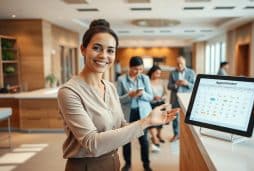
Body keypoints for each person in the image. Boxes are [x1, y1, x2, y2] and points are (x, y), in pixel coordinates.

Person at [57, 19, 179, 171]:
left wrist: (150, 120)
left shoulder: (110, 87)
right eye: (96, 48)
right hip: (87, 165)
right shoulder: (69, 92)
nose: (103, 55)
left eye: (110, 50)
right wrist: (145, 122)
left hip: (114, 161)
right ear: (83, 49)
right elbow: (92, 143)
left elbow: (121, 125)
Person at [116, 56, 153, 171]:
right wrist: (129, 95)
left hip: (142, 113)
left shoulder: (145, 78)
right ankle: (127, 164)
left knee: (144, 140)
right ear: (129, 67)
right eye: (135, 69)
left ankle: (146, 164)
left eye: (140, 69)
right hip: (128, 113)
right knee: (126, 140)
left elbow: (150, 97)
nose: (138, 72)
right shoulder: (121, 80)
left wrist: (142, 94)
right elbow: (118, 99)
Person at [168, 56, 196, 142]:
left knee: (187, 118)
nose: (180, 65)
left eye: (181, 63)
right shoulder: (172, 73)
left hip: (187, 98)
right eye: (178, 64)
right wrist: (176, 84)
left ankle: (187, 135)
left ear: (185, 63)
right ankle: (176, 135)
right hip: (175, 98)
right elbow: (168, 86)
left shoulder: (191, 72)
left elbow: (195, 86)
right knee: (175, 118)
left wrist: (187, 83)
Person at [147, 65, 168, 152]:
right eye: (157, 73)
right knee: (152, 122)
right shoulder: (147, 81)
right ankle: (154, 138)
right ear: (152, 72)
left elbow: (166, 94)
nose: (158, 75)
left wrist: (161, 97)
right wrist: (152, 98)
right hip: (150, 104)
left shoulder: (162, 82)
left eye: (160, 73)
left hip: (161, 104)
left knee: (161, 122)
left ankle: (159, 135)